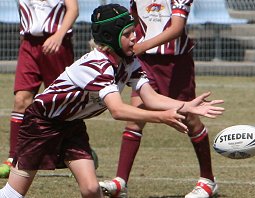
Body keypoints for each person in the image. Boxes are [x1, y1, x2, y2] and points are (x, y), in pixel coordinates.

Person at [0, 4, 224, 198]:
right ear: (111, 38)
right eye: (128, 34)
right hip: (40, 124)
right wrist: (162, 117)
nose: (135, 36)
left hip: (71, 125)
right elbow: (117, 110)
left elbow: (151, 97)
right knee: (14, 194)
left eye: (133, 31)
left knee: (90, 189)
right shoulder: (98, 66)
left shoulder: (129, 61)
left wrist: (185, 106)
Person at [99, 1, 219, 198]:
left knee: (189, 117)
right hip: (145, 61)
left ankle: (208, 180)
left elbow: (177, 29)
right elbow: (134, 20)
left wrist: (142, 45)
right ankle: (121, 182)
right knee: (135, 118)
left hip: (175, 63)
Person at [0, 0, 80, 178]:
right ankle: (13, 158)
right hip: (29, 45)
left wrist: (59, 35)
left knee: (62, 102)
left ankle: (78, 150)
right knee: (21, 100)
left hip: (57, 44)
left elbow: (73, 9)